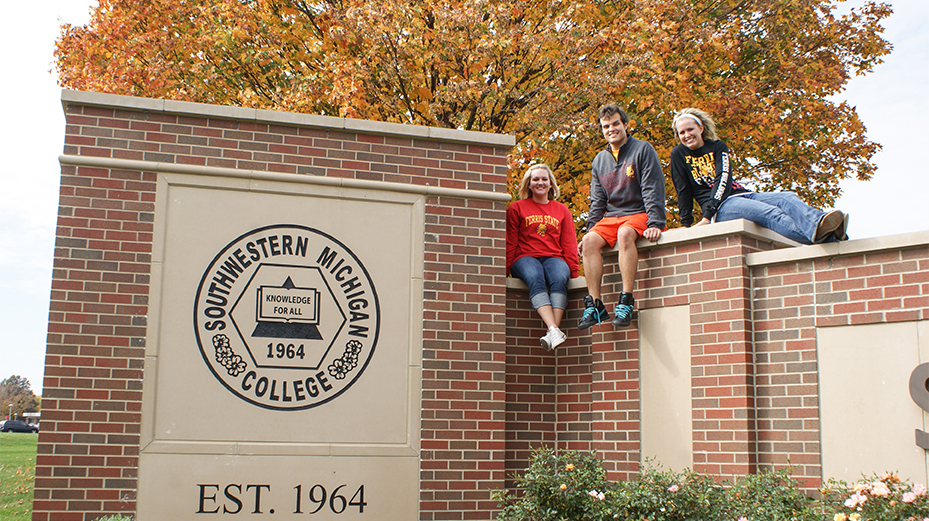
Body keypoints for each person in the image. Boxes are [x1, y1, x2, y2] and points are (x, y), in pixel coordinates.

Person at [670, 107, 848, 244]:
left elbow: (723, 177)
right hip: (721, 208)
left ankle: (821, 224)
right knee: (771, 214)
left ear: (700, 128)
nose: (687, 135)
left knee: (787, 197)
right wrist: (692, 222)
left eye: (690, 129)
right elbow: (682, 189)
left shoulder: (717, 146)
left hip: (743, 194)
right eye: (682, 132)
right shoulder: (679, 154)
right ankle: (831, 237)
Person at [577, 103, 666, 330]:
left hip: (638, 213)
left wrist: (656, 222)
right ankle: (595, 304)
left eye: (616, 124)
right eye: (606, 126)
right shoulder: (599, 161)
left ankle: (626, 300)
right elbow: (597, 201)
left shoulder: (643, 150)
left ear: (625, 124)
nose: (611, 129)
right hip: (612, 216)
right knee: (588, 242)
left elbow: (652, 188)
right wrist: (590, 230)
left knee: (625, 234)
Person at [506, 164, 580, 350]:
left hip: (554, 257)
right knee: (535, 276)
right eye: (536, 179)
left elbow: (569, 243)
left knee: (559, 277)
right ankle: (554, 328)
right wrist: (505, 269)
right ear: (529, 185)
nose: (540, 182)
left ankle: (552, 332)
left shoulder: (562, 210)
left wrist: (574, 272)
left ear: (551, 185)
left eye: (544, 179)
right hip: (525, 257)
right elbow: (510, 241)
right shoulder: (516, 208)